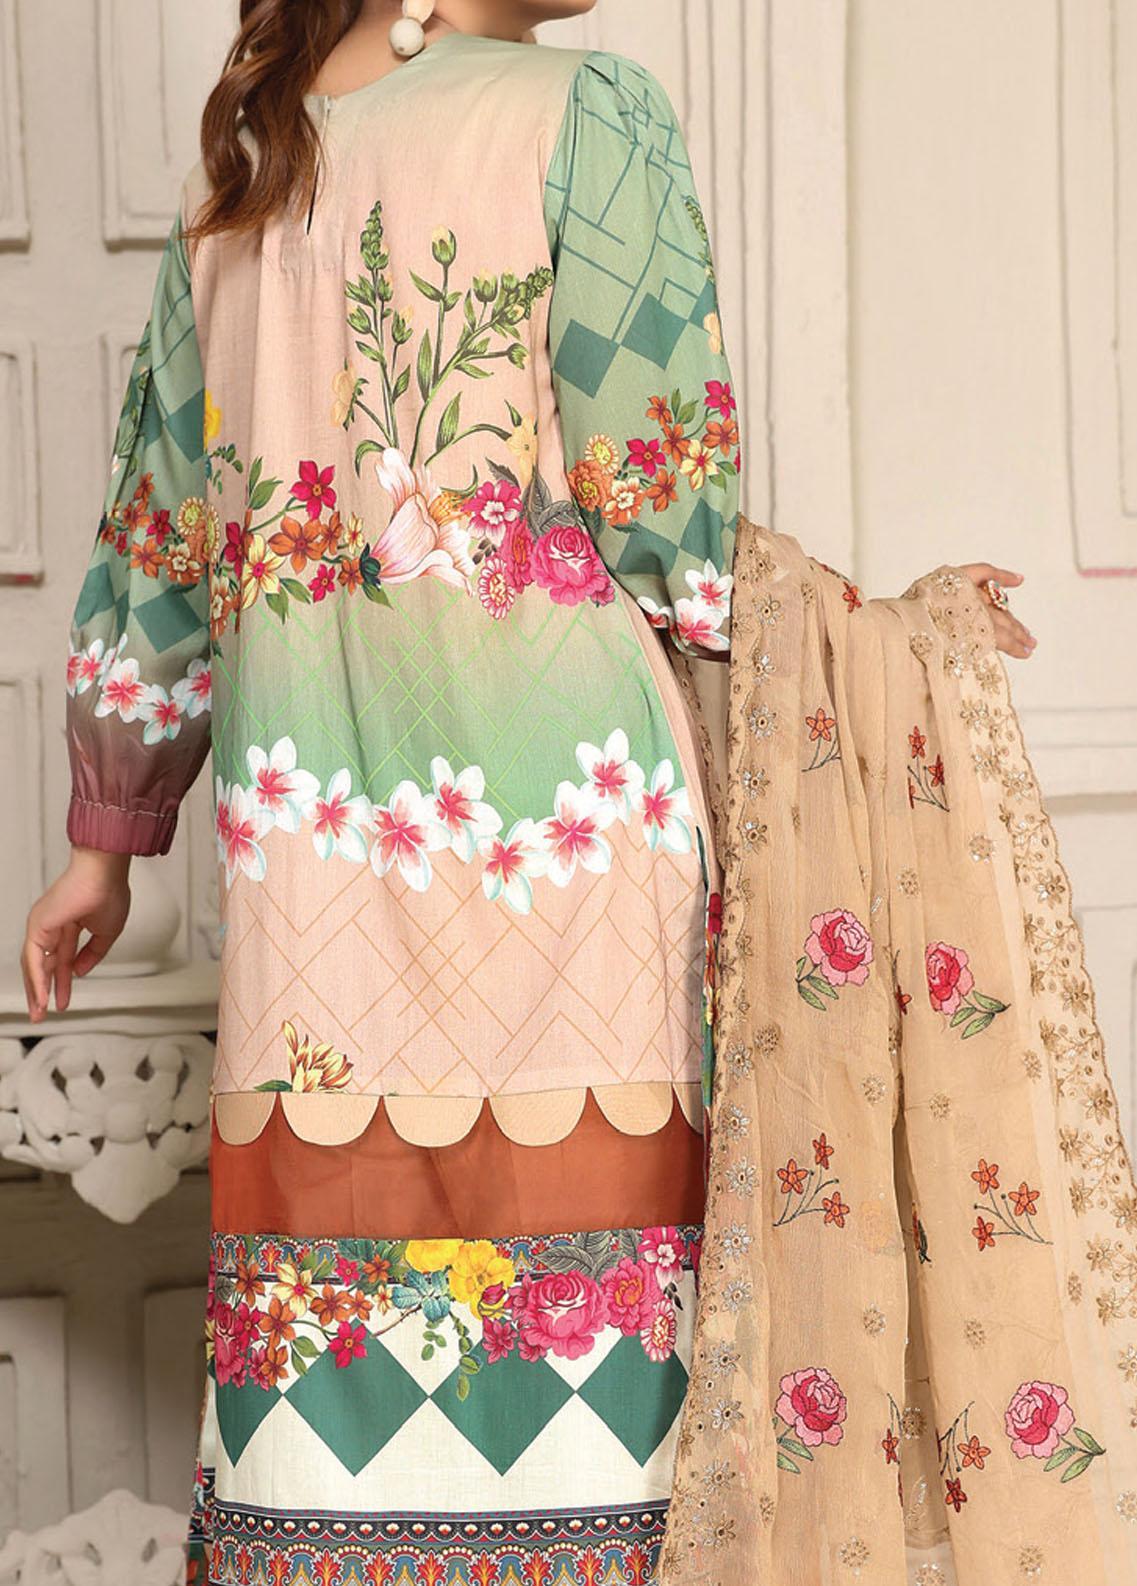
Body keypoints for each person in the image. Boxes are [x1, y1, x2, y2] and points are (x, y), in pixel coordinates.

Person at [26, 4, 1121, 1585]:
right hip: (577, 860)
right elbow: (667, 518)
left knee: (326, 1401)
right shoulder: (586, 116)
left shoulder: (244, 174)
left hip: (310, 899)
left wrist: (105, 842)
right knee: (612, 1409)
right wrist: (895, 635)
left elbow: (158, 549)